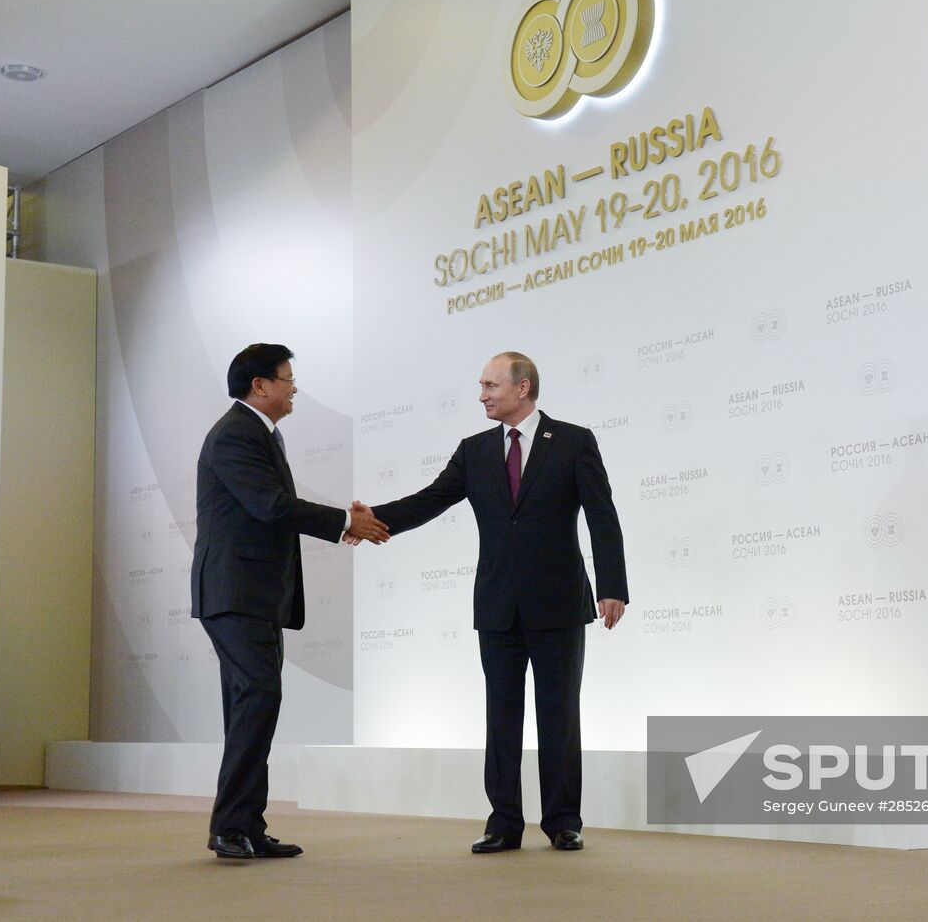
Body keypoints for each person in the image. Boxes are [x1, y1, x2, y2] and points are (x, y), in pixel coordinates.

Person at [367, 351, 628, 853]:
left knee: (559, 716)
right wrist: (371, 519)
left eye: (490, 385)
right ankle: (503, 821)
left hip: (559, 604)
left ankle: (562, 821)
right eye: (481, 386)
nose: (482, 394)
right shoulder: (474, 450)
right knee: (501, 716)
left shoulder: (573, 441)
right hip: (497, 606)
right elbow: (430, 499)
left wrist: (613, 586)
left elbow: (602, 517)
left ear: (523, 388)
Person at [191, 343, 388, 859]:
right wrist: (347, 522)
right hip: (234, 594)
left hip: (252, 596)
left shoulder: (257, 433)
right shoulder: (236, 434)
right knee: (257, 701)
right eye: (287, 378)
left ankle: (245, 826)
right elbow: (270, 506)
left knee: (251, 706)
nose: (294, 387)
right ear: (261, 385)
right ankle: (230, 827)